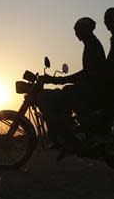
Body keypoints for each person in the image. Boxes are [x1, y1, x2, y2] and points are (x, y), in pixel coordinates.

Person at [43, 17, 106, 158]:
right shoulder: (90, 44)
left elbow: (87, 73)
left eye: (78, 30)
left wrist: (59, 80)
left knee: (67, 92)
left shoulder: (92, 45)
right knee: (67, 90)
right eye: (75, 31)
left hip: (94, 87)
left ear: (86, 30)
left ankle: (83, 132)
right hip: (93, 84)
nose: (76, 34)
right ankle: (70, 133)